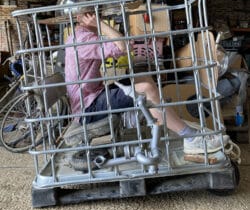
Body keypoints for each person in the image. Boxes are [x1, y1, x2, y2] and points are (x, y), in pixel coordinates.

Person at [65, 12, 229, 155]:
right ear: (80, 17)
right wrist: (100, 25)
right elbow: (123, 46)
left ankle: (166, 120)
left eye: (97, 13)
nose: (97, 15)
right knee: (146, 89)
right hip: (88, 109)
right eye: (92, 14)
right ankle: (191, 138)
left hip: (93, 97)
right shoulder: (83, 39)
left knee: (144, 78)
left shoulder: (81, 36)